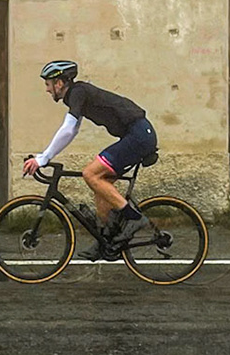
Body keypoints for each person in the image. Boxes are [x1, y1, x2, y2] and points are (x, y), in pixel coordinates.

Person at [22, 59, 157, 259]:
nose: (47, 90)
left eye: (48, 84)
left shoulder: (78, 92)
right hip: (136, 134)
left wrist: (43, 158)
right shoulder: (77, 96)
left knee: (90, 174)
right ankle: (106, 239)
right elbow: (73, 130)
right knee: (100, 183)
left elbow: (68, 129)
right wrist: (46, 155)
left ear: (59, 83)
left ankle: (134, 218)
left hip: (139, 135)